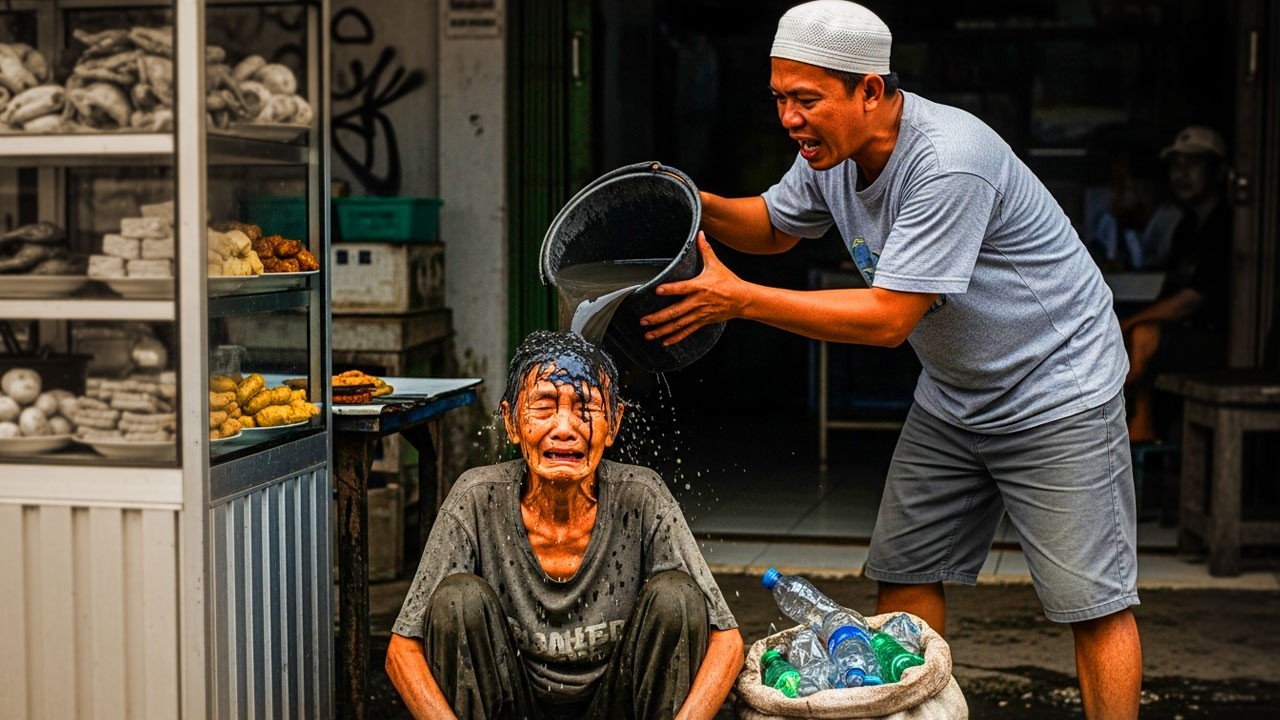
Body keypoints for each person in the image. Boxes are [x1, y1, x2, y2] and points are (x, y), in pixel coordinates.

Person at [638, 2, 1141, 717]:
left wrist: (739, 300)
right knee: (905, 577)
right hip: (956, 388)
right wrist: (690, 203)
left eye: (806, 100)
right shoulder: (829, 153)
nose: (790, 119)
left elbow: (886, 320)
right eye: (780, 98)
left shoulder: (947, 161)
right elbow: (777, 227)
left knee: (1091, 602)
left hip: (1055, 384)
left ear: (870, 91)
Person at [385, 330, 743, 719]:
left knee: (678, 597)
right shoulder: (476, 497)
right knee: (457, 600)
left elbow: (727, 642)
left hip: (615, 709)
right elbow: (402, 652)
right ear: (511, 422)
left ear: (615, 423)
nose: (565, 428)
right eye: (543, 407)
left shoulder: (641, 496)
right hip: (512, 709)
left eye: (586, 408)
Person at [1120, 126, 1231, 442]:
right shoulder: (1186, 227)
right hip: (1181, 337)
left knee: (1142, 333)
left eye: (1193, 164)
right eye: (1176, 165)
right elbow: (1169, 293)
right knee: (1139, 334)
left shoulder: (1227, 224)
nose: (1181, 174)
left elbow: (1190, 300)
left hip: (1218, 340)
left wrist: (1130, 322)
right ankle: (1138, 433)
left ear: (1218, 171)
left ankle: (1127, 426)